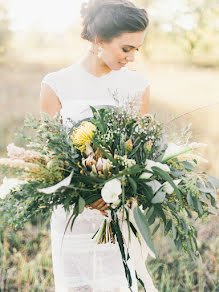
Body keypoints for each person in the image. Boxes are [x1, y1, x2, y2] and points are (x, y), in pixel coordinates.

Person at [40, 0, 158, 291]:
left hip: (117, 212)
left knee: (119, 283)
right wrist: (84, 192)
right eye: (126, 48)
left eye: (136, 50)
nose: (131, 58)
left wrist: (118, 189)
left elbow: (138, 151)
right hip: (73, 212)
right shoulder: (56, 84)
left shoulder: (138, 86)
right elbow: (50, 154)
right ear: (98, 40)